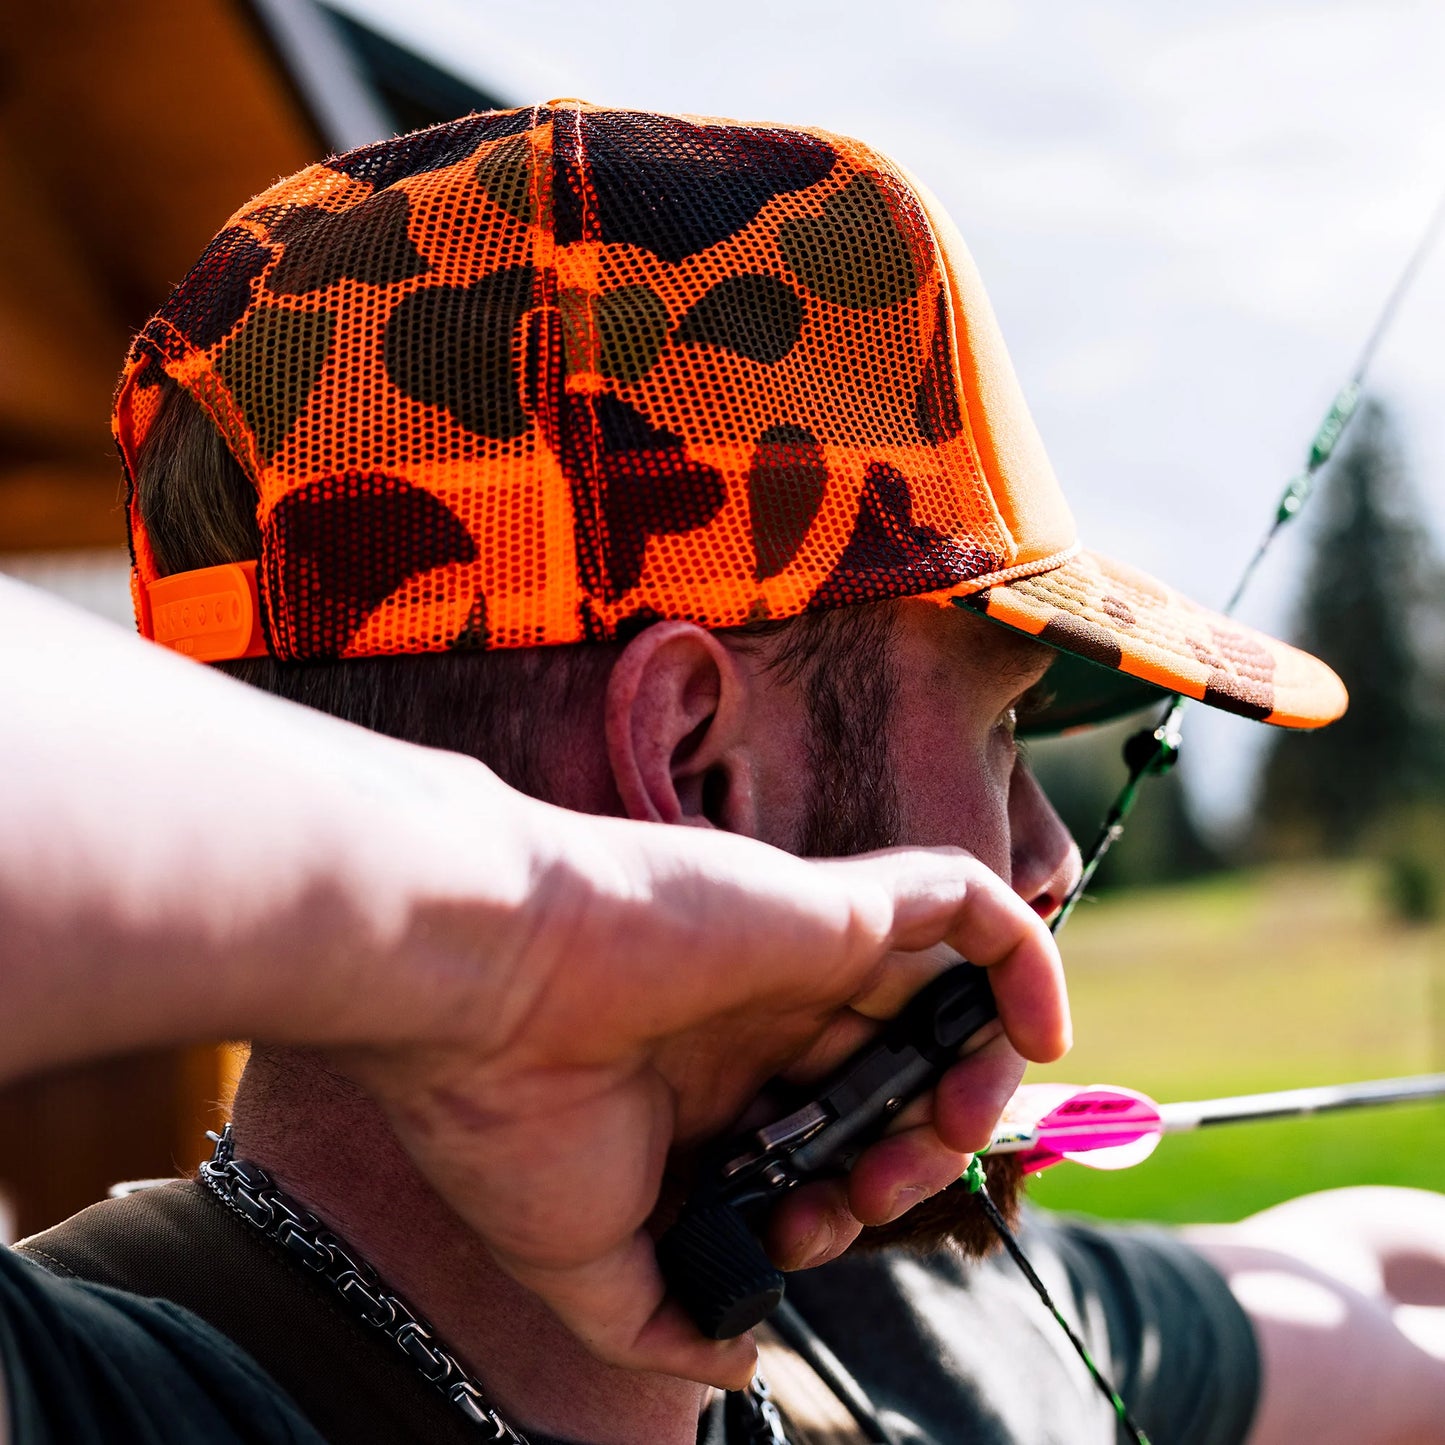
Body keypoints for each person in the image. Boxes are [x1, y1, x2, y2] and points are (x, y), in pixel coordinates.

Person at [3, 101, 1442, 1444]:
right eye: (999, 731)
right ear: (696, 767)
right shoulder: (95, 1395)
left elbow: (1367, 1282)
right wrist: (508, 937)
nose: (1049, 855)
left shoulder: (891, 1330)